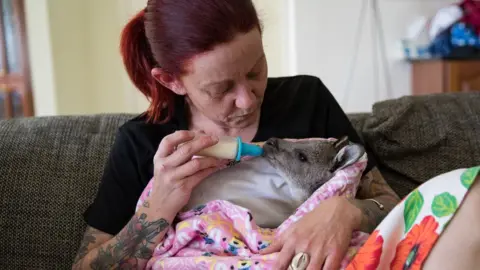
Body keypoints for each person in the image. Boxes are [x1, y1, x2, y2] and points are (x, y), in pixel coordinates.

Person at [71, 1, 480, 270]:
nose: (247, 100)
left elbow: (389, 203)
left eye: (255, 70)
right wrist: (157, 209)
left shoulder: (306, 99)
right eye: (221, 88)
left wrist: (345, 211)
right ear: (171, 81)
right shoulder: (143, 142)